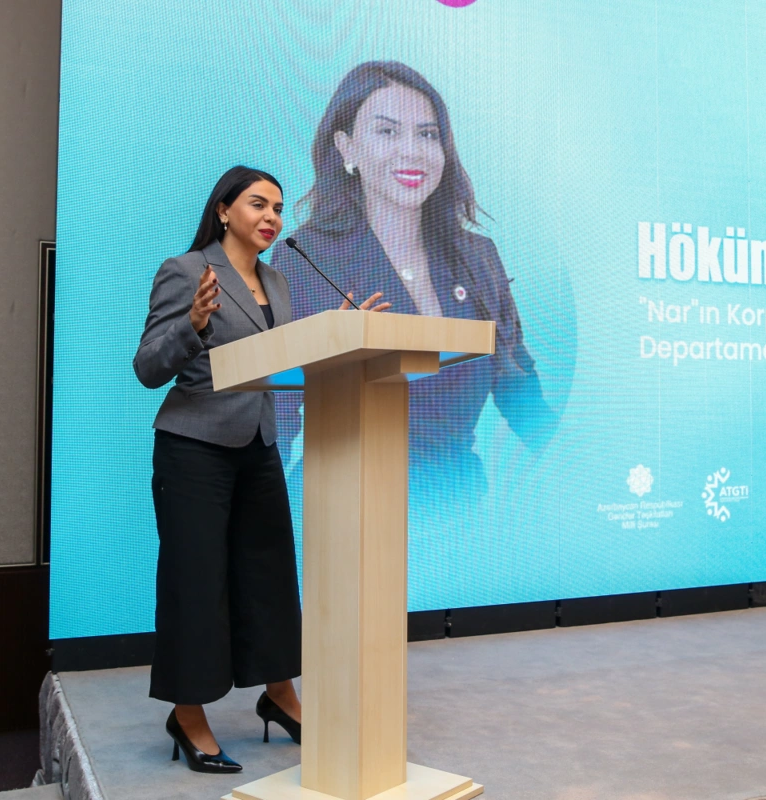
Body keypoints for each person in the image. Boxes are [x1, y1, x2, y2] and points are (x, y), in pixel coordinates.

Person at [132, 166, 388, 773]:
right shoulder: (186, 271)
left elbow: (284, 358)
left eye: (277, 207)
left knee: (269, 577)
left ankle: (279, 695)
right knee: (197, 583)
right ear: (224, 210)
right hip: (195, 446)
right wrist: (192, 325)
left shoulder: (278, 279)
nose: (272, 217)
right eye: (257, 204)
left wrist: (343, 330)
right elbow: (147, 367)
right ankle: (188, 714)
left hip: (259, 443)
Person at [270, 61, 556, 495]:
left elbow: (517, 385)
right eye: (387, 131)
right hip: (342, 503)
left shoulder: (478, 257)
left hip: (456, 503)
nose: (413, 151)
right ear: (346, 148)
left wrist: (581, 469)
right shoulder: (309, 257)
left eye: (427, 134)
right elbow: (280, 403)